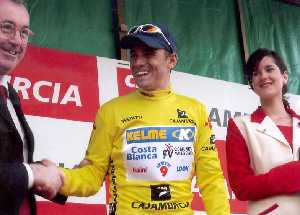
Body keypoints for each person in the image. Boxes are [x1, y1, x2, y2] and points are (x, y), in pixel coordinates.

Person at [58, 23, 230, 215]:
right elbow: (91, 176)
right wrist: (57, 178)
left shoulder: (196, 110)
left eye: (148, 53)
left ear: (171, 60)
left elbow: (211, 179)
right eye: (134, 55)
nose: (138, 62)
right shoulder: (111, 111)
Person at [0, 0, 64, 214]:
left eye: (24, 32)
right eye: (7, 28)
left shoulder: (10, 93)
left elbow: (11, 163)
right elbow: (24, 173)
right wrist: (33, 174)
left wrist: (64, 178)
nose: (17, 41)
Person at [226, 48, 300, 215]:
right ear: (252, 83)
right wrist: (291, 175)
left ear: (285, 76)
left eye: (269, 69)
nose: (263, 76)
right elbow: (242, 187)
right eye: (256, 73)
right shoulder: (240, 126)